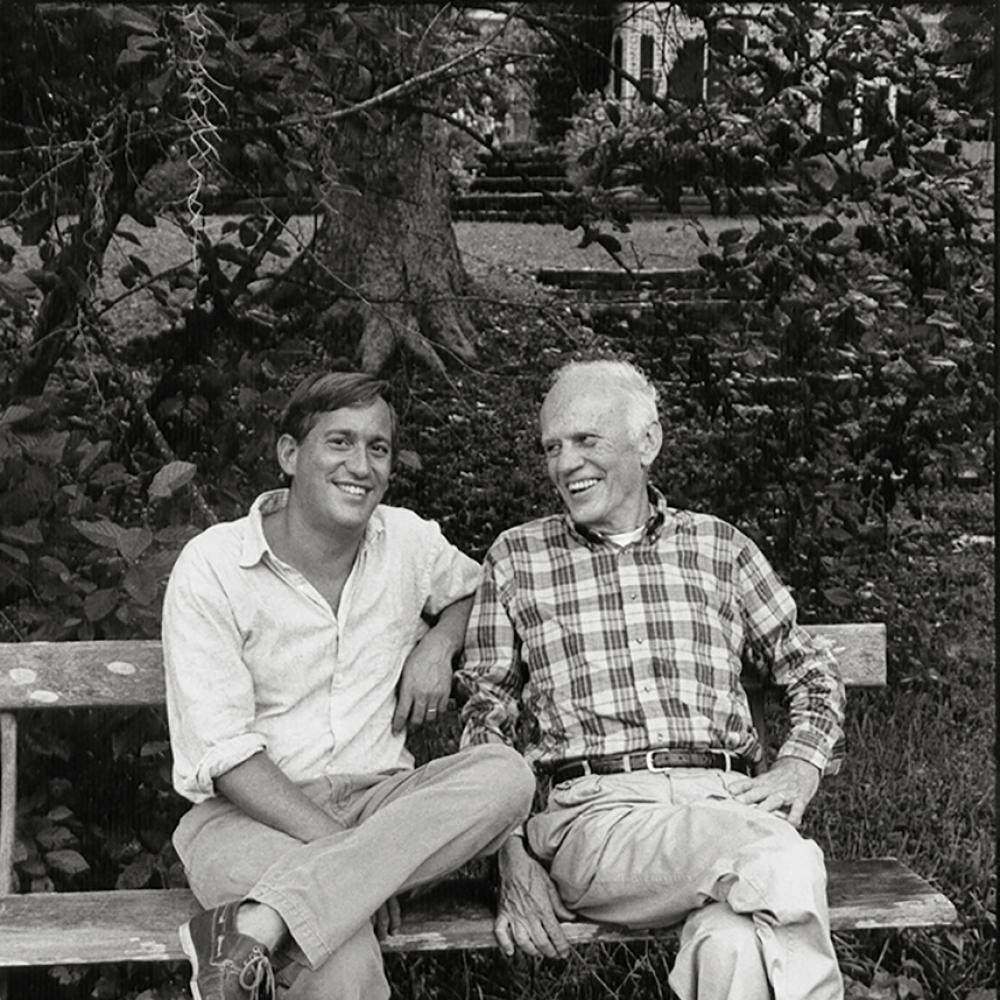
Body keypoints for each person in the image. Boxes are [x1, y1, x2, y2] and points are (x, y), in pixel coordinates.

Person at [458, 359, 847, 1000]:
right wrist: (508, 847)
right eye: (553, 447)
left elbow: (809, 665)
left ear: (648, 443)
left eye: (587, 440)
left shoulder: (720, 548)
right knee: (783, 858)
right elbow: (485, 717)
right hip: (599, 821)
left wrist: (800, 766)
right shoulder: (518, 557)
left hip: (727, 803)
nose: (565, 464)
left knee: (733, 945)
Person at [163, 371, 535, 1000]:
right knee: (338, 954)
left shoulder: (408, 541)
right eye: (339, 442)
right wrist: (364, 868)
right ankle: (294, 911)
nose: (360, 466)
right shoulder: (214, 566)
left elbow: (479, 589)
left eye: (378, 447)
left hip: (384, 802)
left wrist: (439, 644)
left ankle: (252, 927)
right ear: (289, 454)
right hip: (247, 821)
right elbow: (226, 760)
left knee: (505, 775)